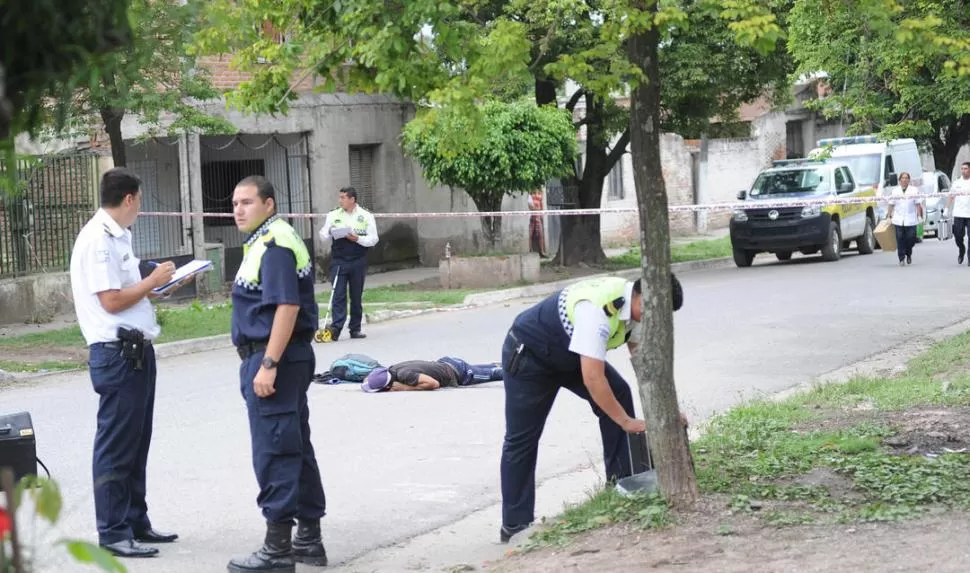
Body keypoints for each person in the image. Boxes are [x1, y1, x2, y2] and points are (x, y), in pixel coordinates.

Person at [498, 273, 685, 543]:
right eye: (653, 310)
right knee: (521, 439)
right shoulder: (596, 311)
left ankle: (623, 486)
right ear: (640, 294)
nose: (655, 319)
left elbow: (646, 369)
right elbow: (593, 378)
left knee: (619, 393)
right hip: (531, 357)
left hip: (572, 355)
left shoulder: (639, 312)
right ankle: (515, 527)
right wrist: (625, 422)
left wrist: (667, 412)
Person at [69, 167, 189, 558]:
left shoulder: (118, 237)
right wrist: (152, 282)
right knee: (116, 446)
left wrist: (162, 284)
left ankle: (136, 521)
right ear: (130, 199)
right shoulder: (99, 240)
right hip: (117, 355)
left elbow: (129, 291)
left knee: (137, 442)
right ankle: (113, 532)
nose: (139, 207)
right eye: (139, 200)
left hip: (136, 352)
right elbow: (112, 300)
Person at [227, 176, 328, 573]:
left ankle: (278, 549)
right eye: (235, 203)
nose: (238, 209)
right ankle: (308, 539)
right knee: (295, 447)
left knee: (276, 452)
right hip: (283, 358)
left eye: (247, 202)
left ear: (268, 205)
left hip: (276, 359)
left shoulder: (275, 244)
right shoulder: (266, 240)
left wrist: (268, 364)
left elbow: (286, 307)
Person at [318, 186, 379, 341]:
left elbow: (373, 238)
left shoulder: (365, 216)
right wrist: (330, 232)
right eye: (340, 197)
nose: (340, 201)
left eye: (343, 198)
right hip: (339, 259)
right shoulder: (333, 215)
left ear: (352, 199)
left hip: (358, 258)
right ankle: (336, 328)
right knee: (338, 294)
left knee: (356, 295)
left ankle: (355, 328)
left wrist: (357, 238)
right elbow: (323, 235)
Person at [360, 357, 504, 392]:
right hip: (448, 362)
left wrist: (405, 388)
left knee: (496, 374)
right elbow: (370, 378)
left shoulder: (405, 375)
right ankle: (501, 364)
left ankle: (518, 369)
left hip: (460, 373)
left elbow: (433, 383)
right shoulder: (393, 369)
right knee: (490, 367)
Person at [887, 171, 923, 266]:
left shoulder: (914, 190)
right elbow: (890, 204)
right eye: (902, 178)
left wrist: (919, 216)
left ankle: (908, 252)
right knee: (900, 238)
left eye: (906, 178)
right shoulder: (895, 191)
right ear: (899, 180)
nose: (904, 180)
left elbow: (918, 204)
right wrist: (889, 216)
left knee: (911, 238)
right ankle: (901, 258)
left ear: (909, 180)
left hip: (911, 218)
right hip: (898, 219)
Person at [945, 162, 970, 265]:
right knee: (958, 236)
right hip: (959, 213)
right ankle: (961, 249)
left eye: (965, 169)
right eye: (962, 169)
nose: (963, 171)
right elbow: (951, 196)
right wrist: (946, 208)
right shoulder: (956, 183)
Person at [527, 189, 546, 257]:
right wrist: (536, 209)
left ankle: (541, 251)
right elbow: (530, 205)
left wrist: (542, 213)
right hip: (532, 216)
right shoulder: (530, 193)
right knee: (530, 234)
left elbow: (541, 203)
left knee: (540, 234)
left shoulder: (540, 191)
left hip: (538, 216)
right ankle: (530, 250)